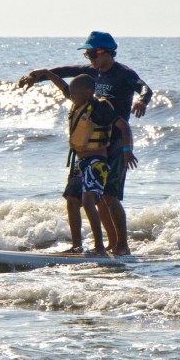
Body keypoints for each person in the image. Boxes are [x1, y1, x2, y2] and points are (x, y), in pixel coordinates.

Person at [18, 31, 149, 255]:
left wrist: (142, 99)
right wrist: (35, 76)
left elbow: (144, 87)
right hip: (89, 145)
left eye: (94, 53)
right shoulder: (90, 72)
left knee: (110, 196)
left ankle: (121, 246)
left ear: (108, 52)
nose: (91, 59)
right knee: (90, 197)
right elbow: (64, 74)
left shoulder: (123, 74)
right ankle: (106, 245)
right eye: (88, 54)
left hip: (115, 144)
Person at [33, 72, 122, 254]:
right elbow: (64, 87)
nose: (70, 96)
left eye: (74, 94)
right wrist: (47, 74)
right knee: (72, 201)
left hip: (96, 162)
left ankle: (99, 247)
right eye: (71, 94)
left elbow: (123, 126)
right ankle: (76, 245)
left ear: (88, 92)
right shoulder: (78, 101)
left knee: (89, 201)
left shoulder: (100, 108)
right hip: (79, 163)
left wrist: (127, 151)